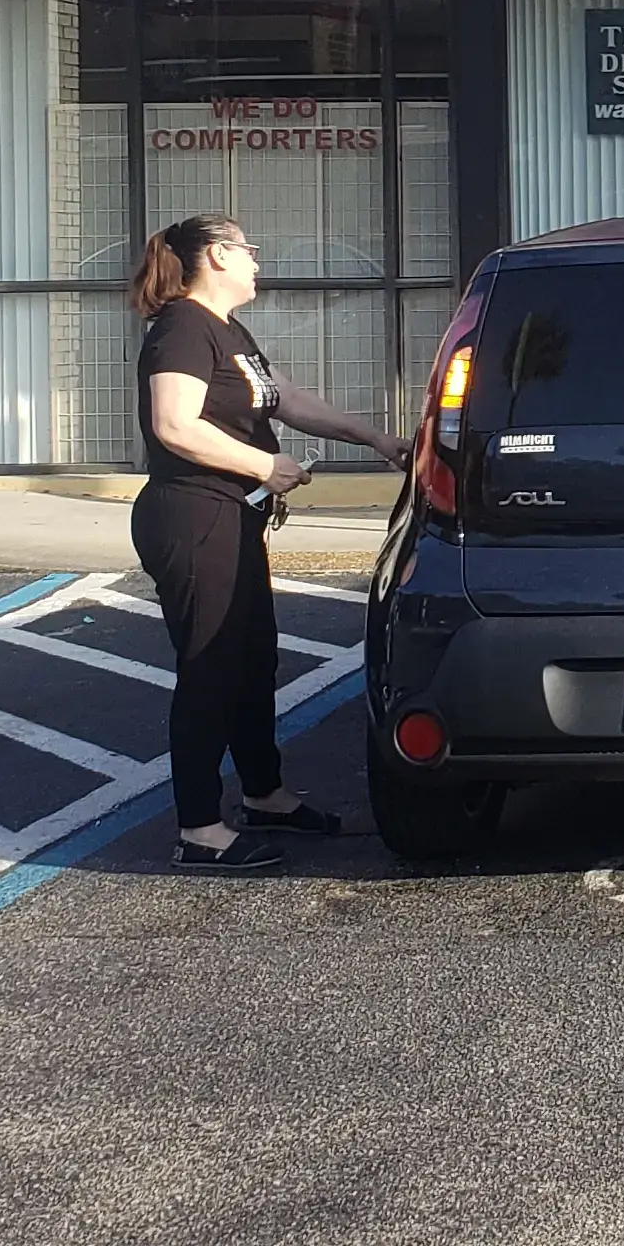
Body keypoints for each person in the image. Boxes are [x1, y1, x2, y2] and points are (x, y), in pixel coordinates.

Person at [128, 216, 409, 871]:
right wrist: (264, 467)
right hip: (193, 517)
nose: (257, 261)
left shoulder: (227, 331)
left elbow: (285, 398)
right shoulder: (182, 327)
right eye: (248, 250)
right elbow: (174, 423)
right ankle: (199, 829)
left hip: (235, 516)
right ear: (218, 255)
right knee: (209, 670)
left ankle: (266, 795)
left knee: (253, 663)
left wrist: (373, 437)